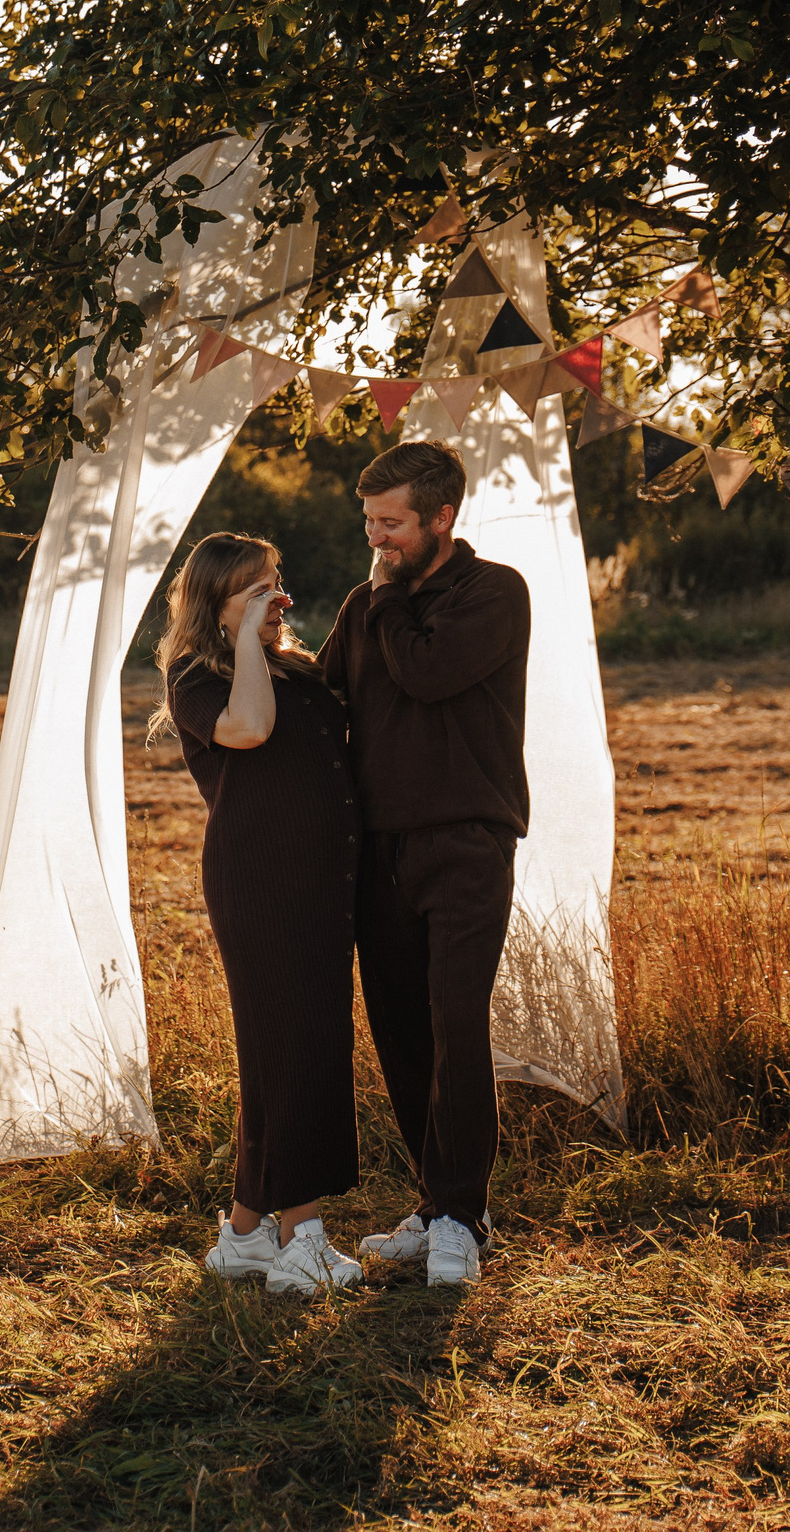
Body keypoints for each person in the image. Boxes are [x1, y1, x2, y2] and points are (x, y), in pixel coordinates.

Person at [317, 439, 530, 1289]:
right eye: (370, 522)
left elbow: (428, 671)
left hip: (467, 843)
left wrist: (381, 600)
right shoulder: (367, 602)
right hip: (378, 851)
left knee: (455, 1026)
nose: (377, 538)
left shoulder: (493, 593)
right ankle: (437, 1203)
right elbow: (325, 698)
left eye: (393, 523)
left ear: (443, 518)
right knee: (402, 1032)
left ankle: (461, 1218)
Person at [155, 531, 366, 1295]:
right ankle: (302, 1236)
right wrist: (246, 637)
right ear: (215, 609)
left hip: (319, 880)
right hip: (261, 884)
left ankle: (245, 1235)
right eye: (255, 593)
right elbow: (250, 729)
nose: (277, 601)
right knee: (294, 1048)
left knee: (290, 1047)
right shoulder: (195, 678)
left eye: (277, 584)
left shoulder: (291, 666)